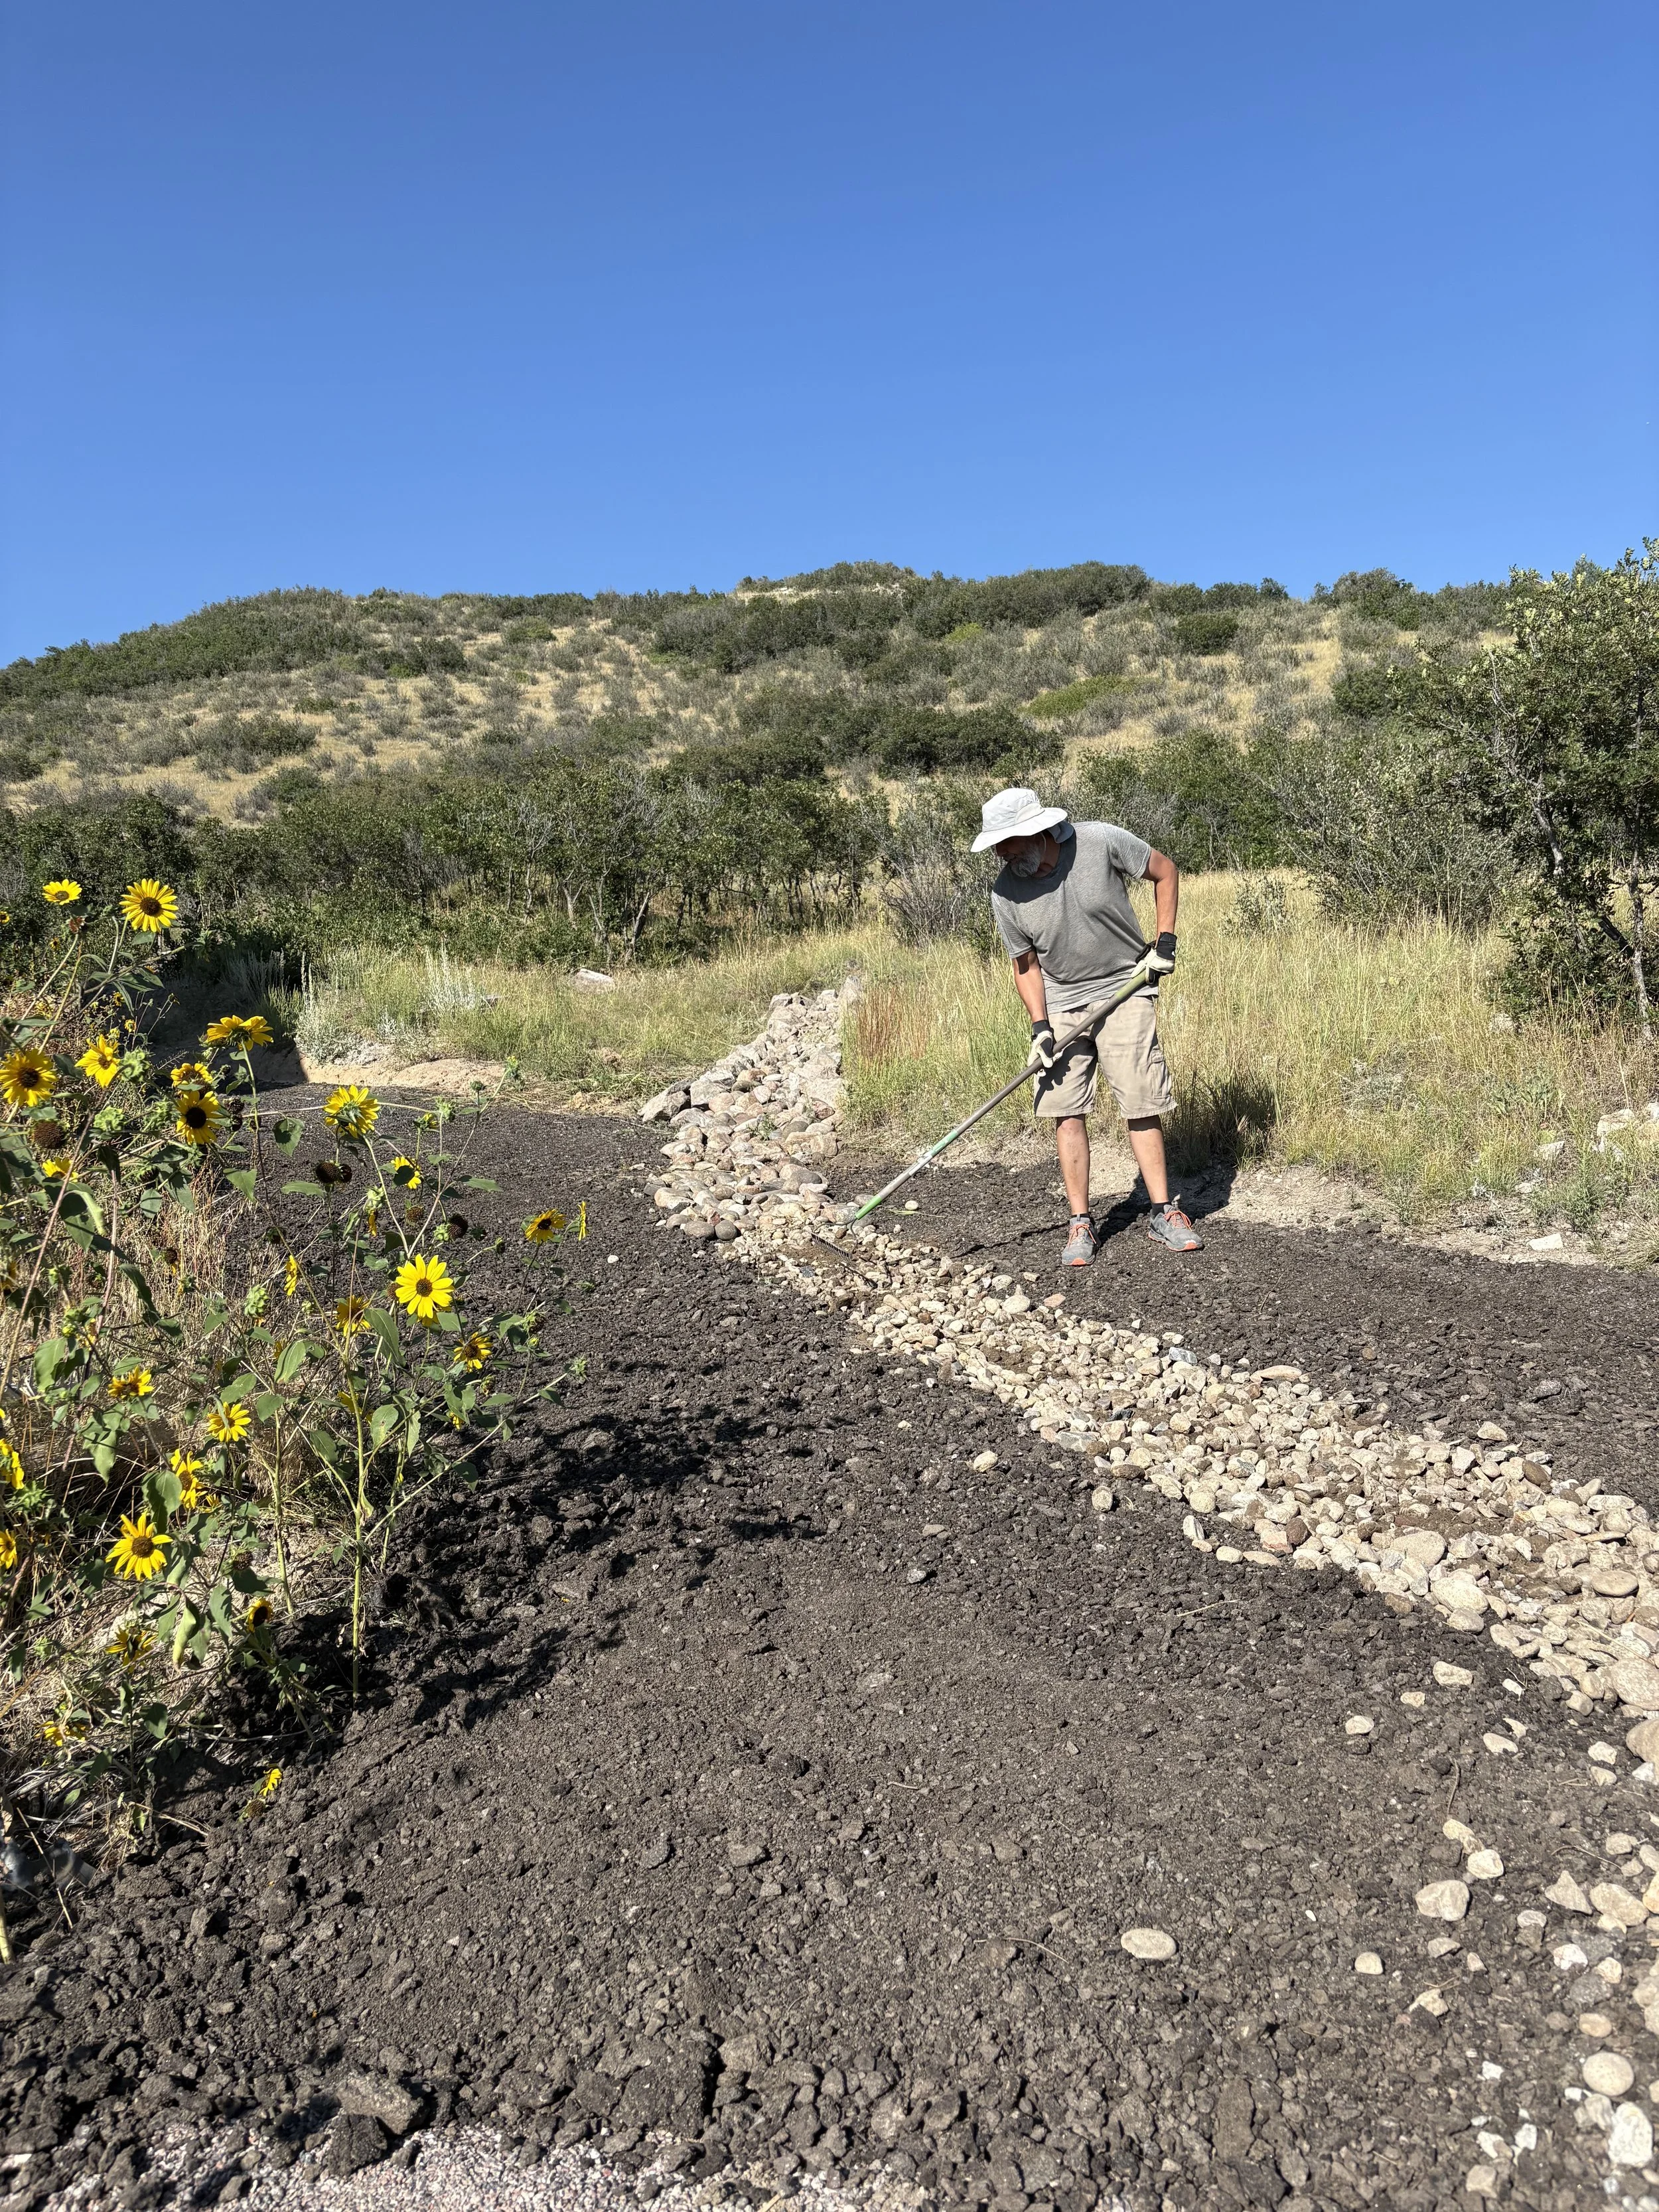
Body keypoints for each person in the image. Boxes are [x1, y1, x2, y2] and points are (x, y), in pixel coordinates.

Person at [974, 785, 1202, 1268]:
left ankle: (1164, 1211)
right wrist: (1040, 1026)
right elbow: (1026, 966)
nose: (1001, 853)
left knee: (1142, 1099)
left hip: (1126, 984)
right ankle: (1081, 1222)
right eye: (997, 844)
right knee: (1065, 1108)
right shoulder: (1005, 892)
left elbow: (1165, 871)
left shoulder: (1099, 841)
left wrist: (1165, 943)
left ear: (1036, 832)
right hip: (1061, 1000)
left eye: (1008, 842)